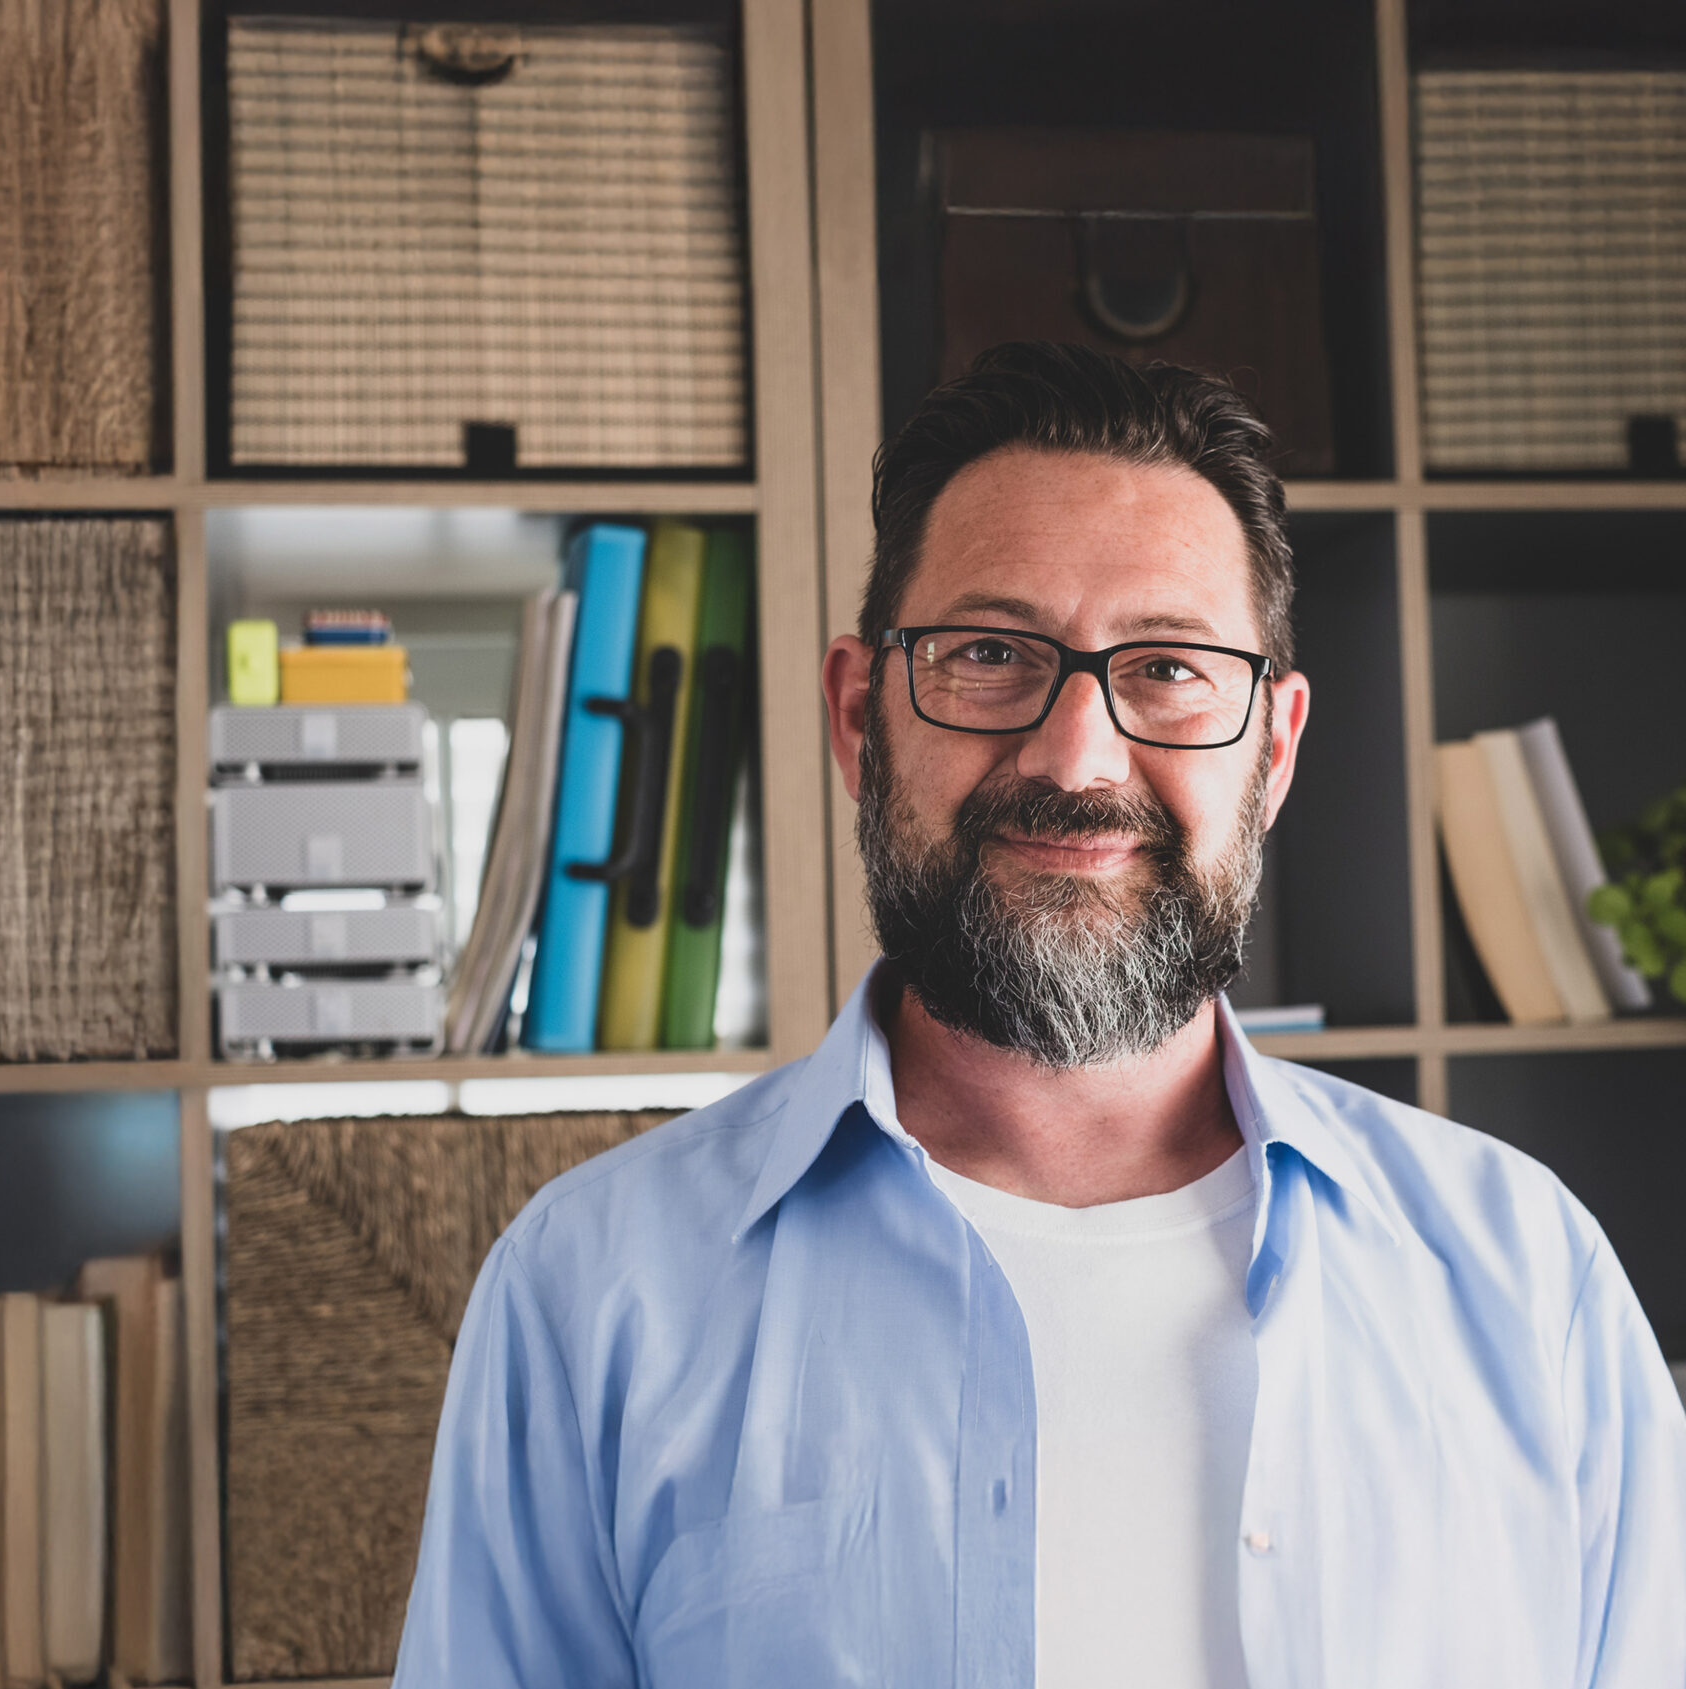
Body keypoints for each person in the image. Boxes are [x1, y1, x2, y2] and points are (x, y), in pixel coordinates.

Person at [394, 343, 1686, 1687]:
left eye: (1171, 668)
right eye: (991, 654)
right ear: (857, 716)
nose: (1076, 758)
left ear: (1278, 748)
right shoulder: (591, 1294)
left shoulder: (1535, 1286)